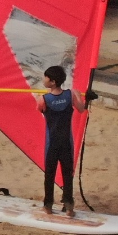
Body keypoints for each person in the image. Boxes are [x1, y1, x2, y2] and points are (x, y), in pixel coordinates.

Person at [35, 66, 90, 218]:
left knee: (49, 175)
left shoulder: (43, 99)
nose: (44, 79)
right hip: (66, 143)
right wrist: (83, 97)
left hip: (51, 144)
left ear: (52, 82)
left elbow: (40, 109)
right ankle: (69, 207)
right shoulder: (71, 94)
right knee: (67, 175)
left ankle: (48, 206)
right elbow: (81, 109)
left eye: (46, 77)